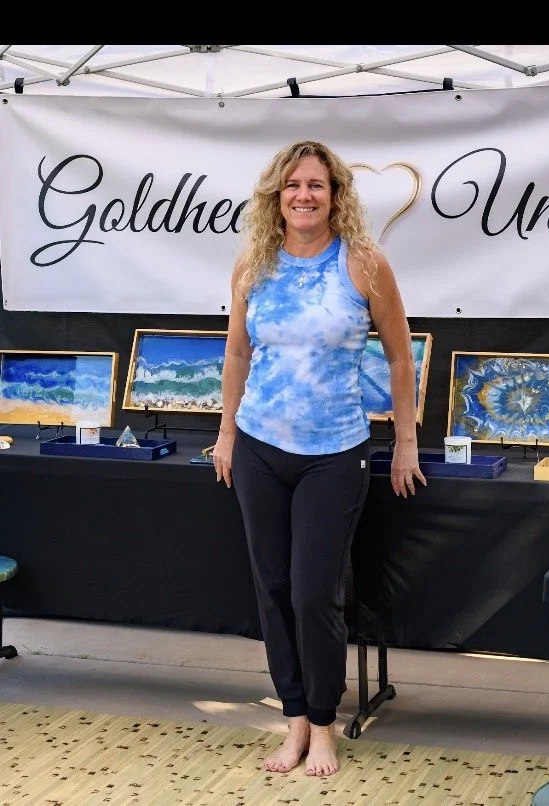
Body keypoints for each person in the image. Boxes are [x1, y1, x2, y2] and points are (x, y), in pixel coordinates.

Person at [212, 140, 427, 777]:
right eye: (292, 186)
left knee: (313, 594)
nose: (304, 195)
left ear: (336, 196)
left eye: (317, 185)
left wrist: (406, 442)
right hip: (258, 447)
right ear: (275, 198)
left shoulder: (362, 262)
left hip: (334, 452)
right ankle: (295, 720)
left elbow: (398, 356)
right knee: (272, 587)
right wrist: (226, 433)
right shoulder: (253, 263)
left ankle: (326, 726)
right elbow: (237, 355)